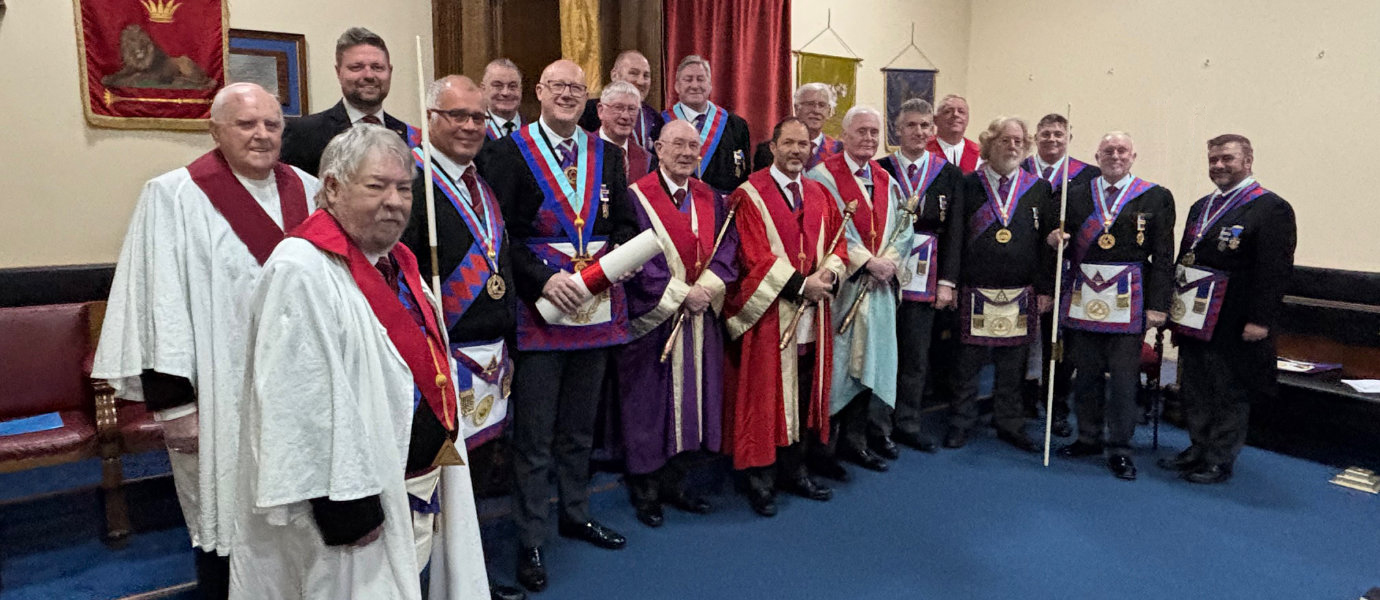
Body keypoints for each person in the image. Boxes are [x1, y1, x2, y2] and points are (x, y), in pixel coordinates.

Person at [232, 125, 488, 600]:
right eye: (376, 186)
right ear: (331, 187)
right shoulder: (302, 269)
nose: (395, 201)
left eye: (404, 188)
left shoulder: (396, 262)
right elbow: (296, 400)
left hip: (414, 480)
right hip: (353, 501)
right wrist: (343, 507)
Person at [92, 83, 317, 600]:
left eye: (272, 124)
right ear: (214, 131)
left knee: (300, 514)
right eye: (246, 124)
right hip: (219, 399)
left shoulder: (310, 189)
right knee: (226, 514)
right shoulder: (173, 196)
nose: (261, 134)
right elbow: (159, 306)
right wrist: (176, 409)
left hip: (297, 390)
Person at [476, 59, 638, 593]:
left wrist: (610, 260)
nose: (567, 94)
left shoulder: (606, 154)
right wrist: (544, 280)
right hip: (540, 311)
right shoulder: (506, 152)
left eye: (576, 87)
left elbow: (624, 226)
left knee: (578, 428)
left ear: (586, 97)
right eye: (557, 86)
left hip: (596, 311)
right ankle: (531, 538)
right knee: (536, 436)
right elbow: (500, 234)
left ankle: (575, 512)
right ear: (540, 92)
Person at [398, 76, 528, 600]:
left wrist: (512, 345)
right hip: (439, 358)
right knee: (435, 485)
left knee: (469, 484)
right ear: (431, 117)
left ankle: (467, 578)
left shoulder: (483, 184)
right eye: (458, 115)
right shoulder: (410, 181)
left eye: (477, 117)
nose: (471, 126)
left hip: (489, 358)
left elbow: (502, 269)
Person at [723, 117, 846, 517]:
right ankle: (760, 480)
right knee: (766, 395)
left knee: (806, 391)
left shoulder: (819, 194)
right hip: (770, 315)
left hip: (814, 316)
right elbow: (753, 257)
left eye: (804, 144)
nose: (797, 151)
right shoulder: (749, 195)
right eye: (789, 143)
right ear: (772, 147)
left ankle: (797, 470)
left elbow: (838, 245)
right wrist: (801, 286)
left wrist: (827, 275)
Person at [619, 120, 737, 527]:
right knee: (650, 403)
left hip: (699, 315)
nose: (686, 152)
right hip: (656, 320)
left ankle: (677, 481)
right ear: (658, 148)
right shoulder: (636, 198)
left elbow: (727, 249)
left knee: (693, 401)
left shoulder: (712, 198)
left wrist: (704, 289)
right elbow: (635, 257)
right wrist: (678, 294)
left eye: (693, 145)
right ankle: (646, 488)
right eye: (678, 145)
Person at [1160, 134, 1295, 484]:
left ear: (1248, 161)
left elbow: (1275, 270)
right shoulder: (1201, 206)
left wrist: (1260, 320)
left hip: (1234, 319)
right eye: (1213, 159)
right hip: (1194, 315)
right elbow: (1185, 260)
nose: (1218, 165)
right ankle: (1198, 446)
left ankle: (1220, 459)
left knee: (1228, 390)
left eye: (1227, 159)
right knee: (1195, 386)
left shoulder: (1271, 208)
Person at [1051, 132, 1175, 481]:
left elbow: (1164, 256)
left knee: (1123, 379)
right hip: (1084, 297)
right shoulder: (1075, 194)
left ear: (1133, 155)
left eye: (1122, 150)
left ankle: (1120, 447)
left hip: (1129, 299)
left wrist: (1157, 305)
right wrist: (1054, 239)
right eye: (1108, 151)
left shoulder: (1155, 197)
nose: (1115, 156)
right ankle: (1087, 437)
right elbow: (1060, 240)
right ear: (1097, 155)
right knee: (1086, 374)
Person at [806, 105, 912, 473]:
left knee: (870, 364)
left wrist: (890, 263)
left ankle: (857, 441)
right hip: (844, 290)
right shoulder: (823, 177)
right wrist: (867, 262)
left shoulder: (887, 180)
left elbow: (904, 228)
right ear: (845, 136)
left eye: (874, 133)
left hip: (879, 290)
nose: (868, 139)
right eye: (861, 132)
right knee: (838, 370)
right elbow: (832, 229)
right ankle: (824, 450)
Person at [941, 116, 1055, 453]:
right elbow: (955, 237)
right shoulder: (967, 184)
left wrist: (1045, 289)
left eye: (1019, 140)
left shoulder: (1038, 188)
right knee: (967, 365)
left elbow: (1045, 247)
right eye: (1005, 140)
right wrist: (949, 282)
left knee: (1013, 366)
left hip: (1021, 292)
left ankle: (1010, 423)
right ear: (990, 144)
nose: (1013, 146)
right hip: (975, 289)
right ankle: (961, 422)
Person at [873, 98, 964, 454]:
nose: (919, 132)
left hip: (926, 280)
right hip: (882, 275)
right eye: (912, 125)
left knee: (915, 355)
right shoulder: (881, 169)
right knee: (881, 354)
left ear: (934, 130)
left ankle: (908, 422)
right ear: (898, 129)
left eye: (925, 125)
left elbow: (955, 231)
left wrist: (948, 282)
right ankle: (876, 426)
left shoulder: (949, 175)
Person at [1019, 113, 1101, 436]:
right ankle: (1020, 399)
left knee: (1058, 345)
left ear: (1069, 137)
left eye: (1059, 134)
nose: (1052, 139)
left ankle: (1057, 405)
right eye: (1046, 134)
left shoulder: (1088, 175)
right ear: (1035, 137)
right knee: (1019, 341)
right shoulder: (1019, 170)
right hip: (1022, 269)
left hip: (1065, 273)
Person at [281, 27, 416, 175]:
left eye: (377, 67)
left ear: (390, 71)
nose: (369, 75)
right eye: (356, 67)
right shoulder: (303, 133)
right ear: (338, 72)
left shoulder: (409, 137)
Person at [662, 55, 752, 193]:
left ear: (710, 85)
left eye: (701, 79)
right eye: (688, 79)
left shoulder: (735, 125)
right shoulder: (662, 123)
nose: (695, 85)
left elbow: (744, 177)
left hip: (723, 210)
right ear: (677, 86)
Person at [578, 50, 664, 149]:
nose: (641, 81)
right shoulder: (587, 111)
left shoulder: (655, 119)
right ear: (614, 75)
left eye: (646, 76)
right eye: (634, 73)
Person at [752, 82, 841, 171]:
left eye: (822, 105)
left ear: (829, 111)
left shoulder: (840, 151)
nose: (816, 110)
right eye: (810, 104)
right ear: (796, 108)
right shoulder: (769, 151)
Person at [594, 81, 653, 182]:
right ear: (601, 111)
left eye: (632, 109)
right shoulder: (583, 151)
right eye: (618, 108)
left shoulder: (646, 159)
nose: (625, 116)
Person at [927, 95, 980, 173]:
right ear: (935, 120)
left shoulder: (978, 152)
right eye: (948, 111)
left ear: (967, 119)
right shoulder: (924, 150)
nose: (955, 114)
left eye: (961, 111)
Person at [482, 58, 525, 142]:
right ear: (483, 89)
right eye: (498, 86)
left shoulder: (536, 130)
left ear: (521, 89)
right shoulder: (474, 132)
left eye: (512, 86)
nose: (506, 93)